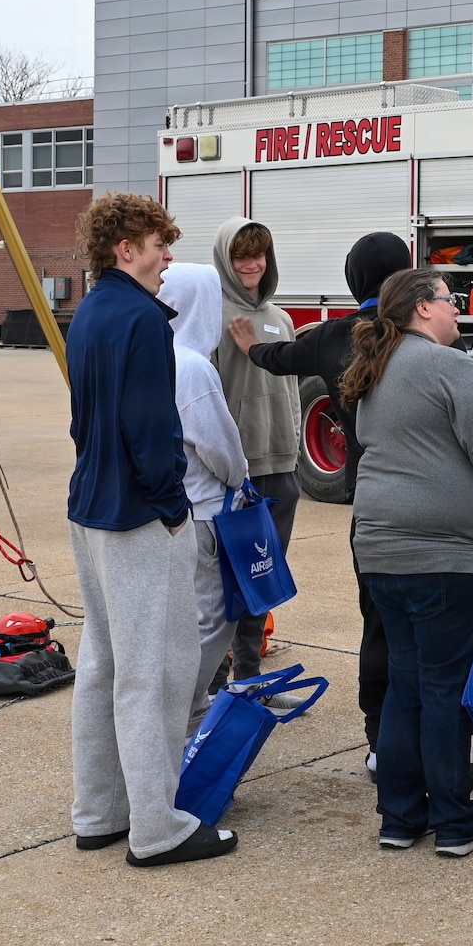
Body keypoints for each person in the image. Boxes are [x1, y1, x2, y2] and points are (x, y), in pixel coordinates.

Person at [230, 232, 473, 779]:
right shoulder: (434, 356)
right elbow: (469, 441)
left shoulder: (335, 339)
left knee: (384, 637)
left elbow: (277, 358)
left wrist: (248, 346)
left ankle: (383, 744)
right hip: (453, 523)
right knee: (463, 637)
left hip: (377, 518)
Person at [65, 193, 235, 868]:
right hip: (140, 514)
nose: (167, 256)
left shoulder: (89, 312)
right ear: (122, 249)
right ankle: (157, 826)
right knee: (156, 672)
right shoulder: (143, 319)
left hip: (89, 507)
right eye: (156, 243)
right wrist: (170, 506)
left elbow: (84, 420)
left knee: (103, 663)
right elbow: (149, 428)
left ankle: (99, 810)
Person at [344, 268, 473, 858]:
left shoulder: (377, 369)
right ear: (424, 309)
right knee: (446, 688)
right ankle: (456, 821)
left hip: (380, 550)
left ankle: (400, 817)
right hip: (447, 555)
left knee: (407, 683)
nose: (459, 312)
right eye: (451, 302)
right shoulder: (451, 367)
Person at [157, 262, 249, 733]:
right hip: (204, 512)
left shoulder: (151, 352)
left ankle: (182, 704)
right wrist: (241, 476)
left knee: (177, 619)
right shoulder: (192, 367)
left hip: (164, 513)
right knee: (212, 621)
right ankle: (186, 707)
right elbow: (221, 449)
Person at [210, 218, 300, 690]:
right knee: (229, 581)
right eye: (241, 256)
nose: (251, 264)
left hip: (283, 464)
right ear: (226, 259)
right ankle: (214, 683)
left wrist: (298, 446)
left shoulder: (280, 317)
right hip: (239, 470)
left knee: (264, 578)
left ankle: (248, 676)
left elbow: (291, 388)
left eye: (258, 254)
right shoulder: (211, 314)